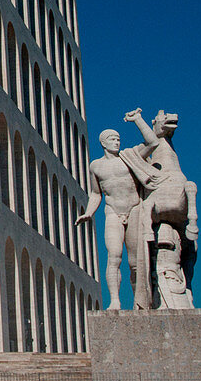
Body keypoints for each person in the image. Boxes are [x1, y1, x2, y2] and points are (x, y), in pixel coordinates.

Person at [118, 108, 198, 309]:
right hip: (152, 228)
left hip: (177, 231)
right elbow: (152, 142)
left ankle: (187, 287)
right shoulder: (141, 160)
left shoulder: (170, 160)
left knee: (191, 249)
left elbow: (154, 141)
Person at [76, 128, 143, 309]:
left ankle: (139, 301)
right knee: (114, 256)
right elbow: (96, 193)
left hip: (134, 208)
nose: (117, 142)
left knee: (135, 261)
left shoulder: (128, 158)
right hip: (112, 210)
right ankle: (115, 300)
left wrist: (137, 120)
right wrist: (89, 212)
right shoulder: (96, 166)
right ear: (103, 143)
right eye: (112, 139)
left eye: (118, 139)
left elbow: (152, 143)